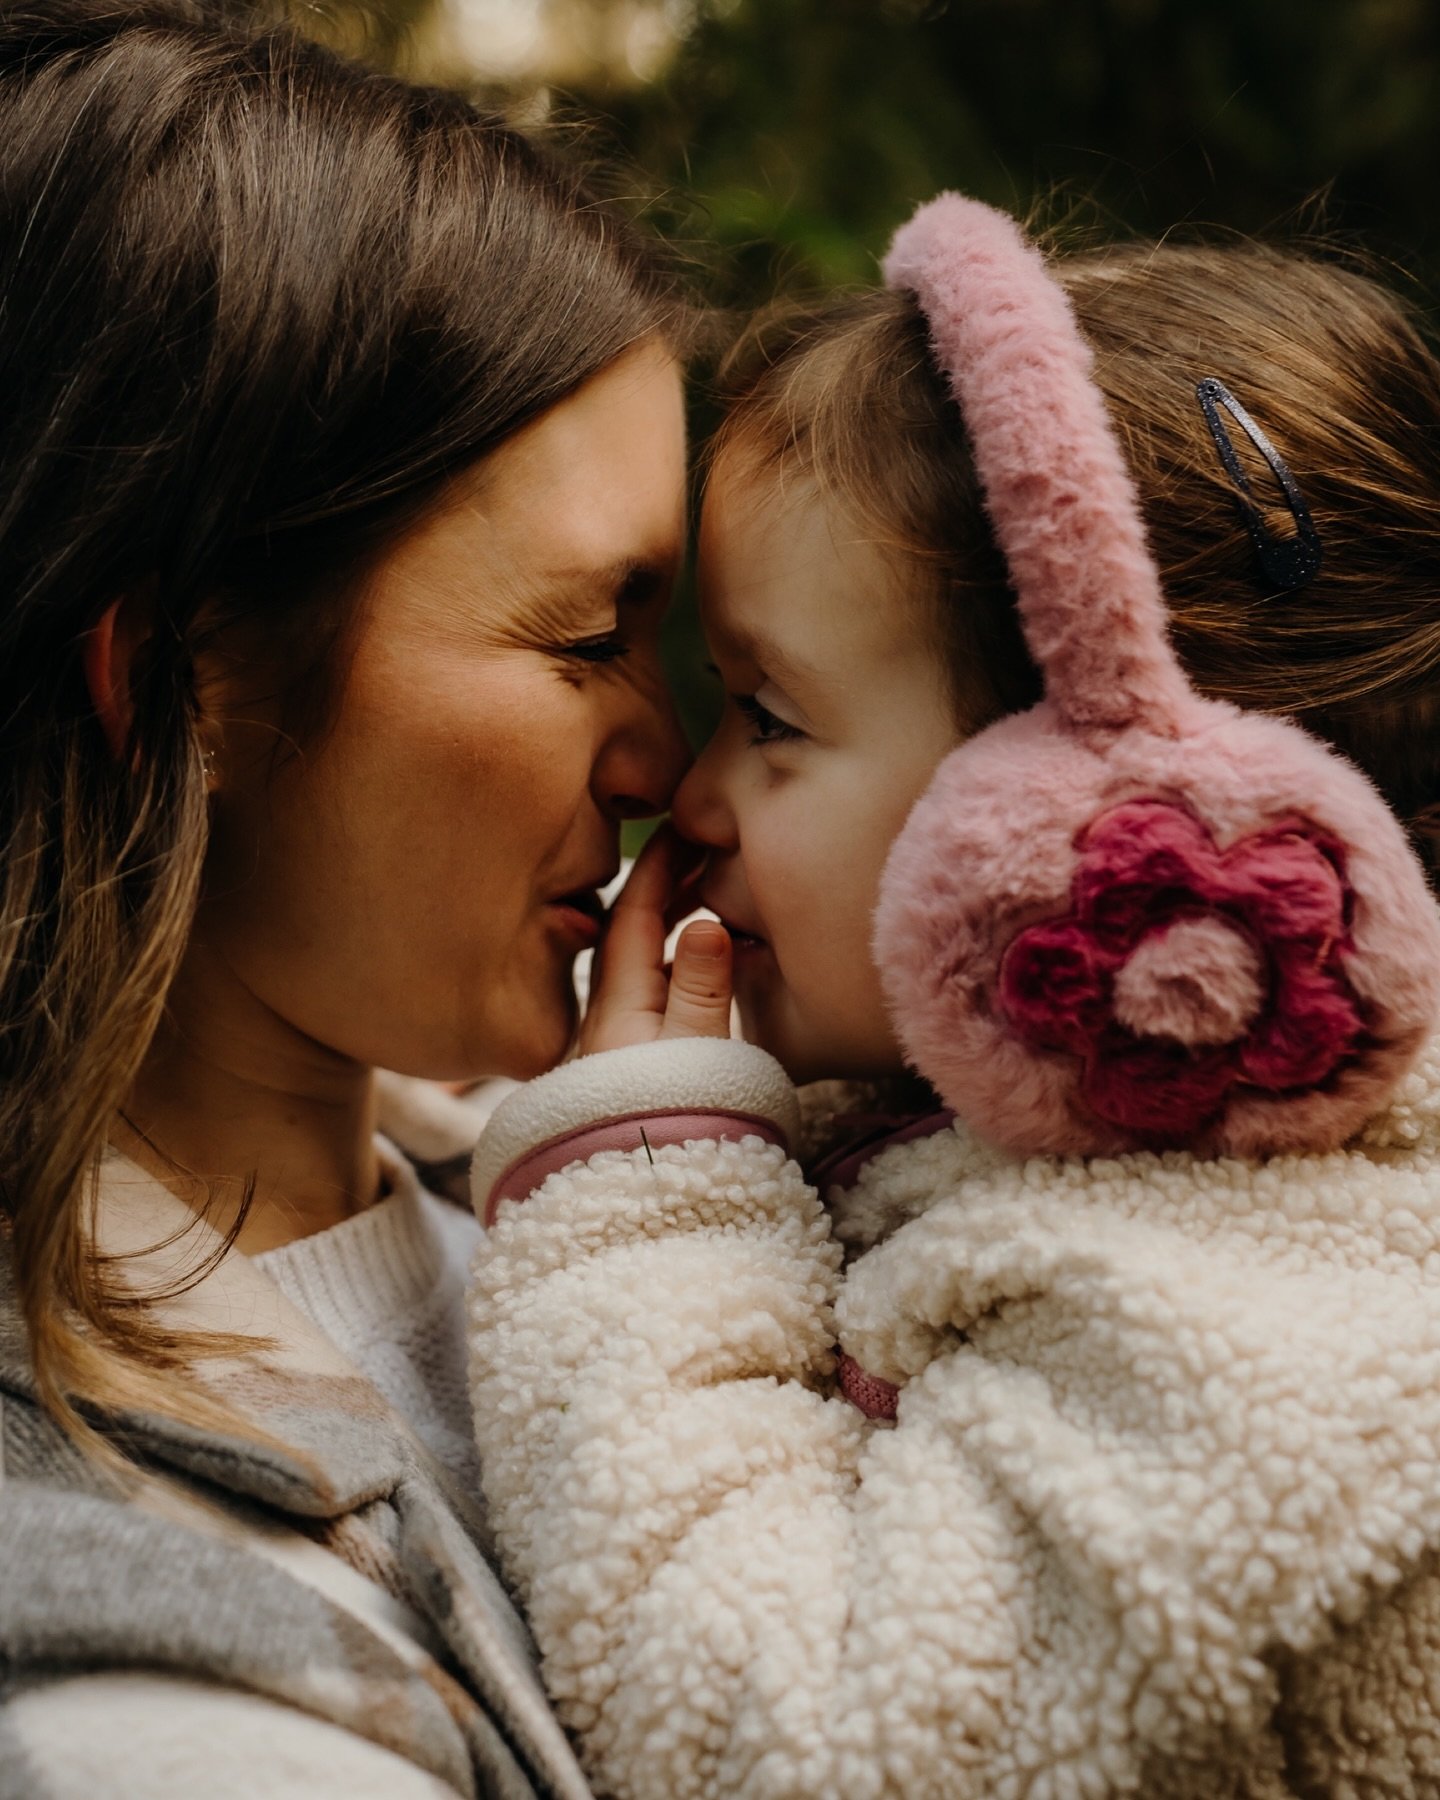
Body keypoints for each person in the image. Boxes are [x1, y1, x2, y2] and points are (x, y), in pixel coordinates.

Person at [466, 194, 1440, 1798]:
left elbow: (798, 1734)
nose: (686, 795)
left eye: (768, 716)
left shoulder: (1250, 1354)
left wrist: (644, 1202)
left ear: (1096, 845)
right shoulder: (1094, 1178)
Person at [0, 2, 696, 1793]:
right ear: (190, 674)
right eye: (585, 638)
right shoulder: (139, 1674)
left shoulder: (627, 1241)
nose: (670, 761)